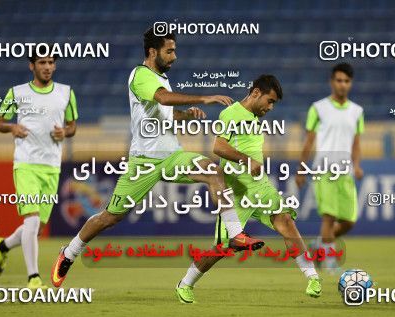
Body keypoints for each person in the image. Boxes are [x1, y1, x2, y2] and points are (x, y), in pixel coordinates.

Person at [51, 27, 265, 287]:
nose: (175, 56)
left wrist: (186, 115)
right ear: (153, 51)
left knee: (213, 171)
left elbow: (164, 113)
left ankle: (236, 235)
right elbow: (163, 99)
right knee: (111, 217)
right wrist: (204, 97)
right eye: (170, 51)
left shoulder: (161, 79)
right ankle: (70, 252)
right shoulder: (140, 76)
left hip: (172, 157)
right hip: (144, 162)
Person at [175, 75, 322, 304]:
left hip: (259, 186)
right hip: (235, 189)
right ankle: (185, 283)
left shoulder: (254, 117)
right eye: (269, 101)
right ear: (255, 93)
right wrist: (246, 160)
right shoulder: (231, 114)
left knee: (285, 221)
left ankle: (312, 277)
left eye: (274, 103)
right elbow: (218, 147)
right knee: (222, 247)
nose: (270, 107)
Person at [0, 46, 78, 289]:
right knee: (31, 222)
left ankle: (3, 246)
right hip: (26, 163)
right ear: (32, 66)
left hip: (51, 166)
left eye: (51, 62)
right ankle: (34, 277)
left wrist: (65, 132)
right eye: (42, 62)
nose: (47, 67)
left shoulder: (66, 93)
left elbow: (72, 126)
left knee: (37, 229)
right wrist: (12, 128)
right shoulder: (17, 93)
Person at [296, 63, 364, 272]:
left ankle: (320, 244)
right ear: (331, 82)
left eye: (346, 81)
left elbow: (356, 142)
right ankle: (329, 260)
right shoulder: (318, 108)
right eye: (339, 80)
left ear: (350, 83)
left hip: (345, 172)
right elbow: (309, 141)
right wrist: (301, 168)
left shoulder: (357, 111)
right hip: (324, 170)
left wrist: (357, 165)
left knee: (349, 221)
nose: (342, 84)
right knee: (329, 216)